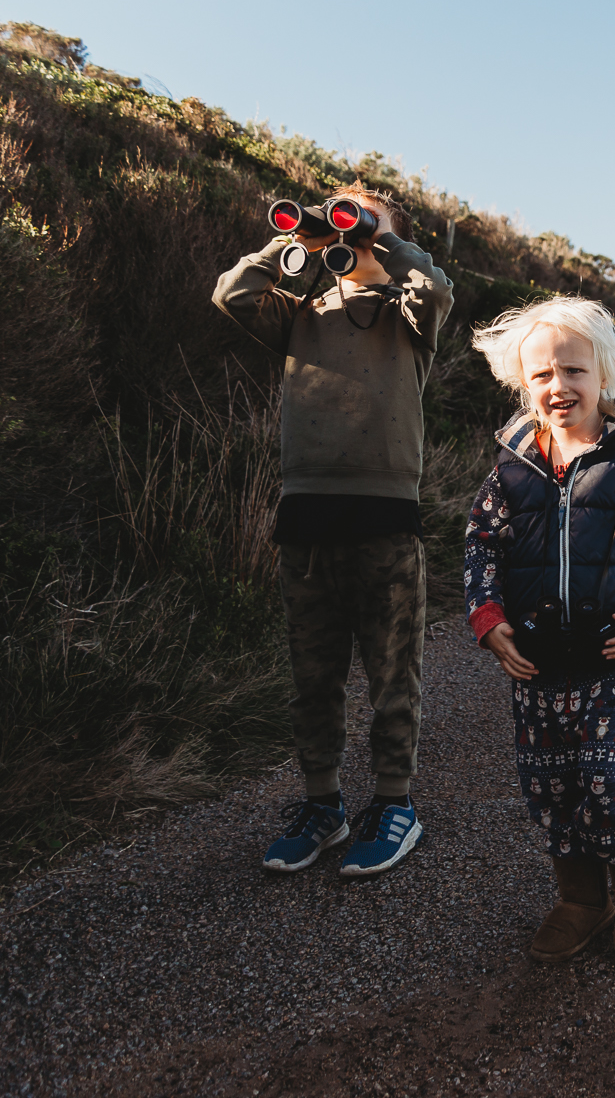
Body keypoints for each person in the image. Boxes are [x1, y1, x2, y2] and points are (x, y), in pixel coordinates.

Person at [211, 185, 455, 876]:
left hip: (384, 518)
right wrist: (299, 239)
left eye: (359, 217)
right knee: (311, 676)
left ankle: (393, 803)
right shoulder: (301, 312)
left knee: (390, 672)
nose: (342, 219)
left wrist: (381, 236)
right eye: (336, 210)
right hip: (306, 517)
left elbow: (434, 288)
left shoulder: (409, 317)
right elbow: (231, 293)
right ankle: (323, 803)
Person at [462, 296, 615, 962]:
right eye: (541, 376)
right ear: (521, 384)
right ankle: (582, 899)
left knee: (608, 774)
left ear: (604, 373)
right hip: (533, 655)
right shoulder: (512, 464)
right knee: (549, 780)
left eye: (574, 370)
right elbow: (481, 546)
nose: (559, 387)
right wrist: (488, 618)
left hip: (611, 652)